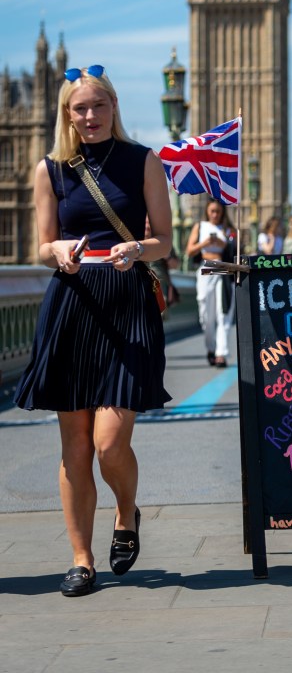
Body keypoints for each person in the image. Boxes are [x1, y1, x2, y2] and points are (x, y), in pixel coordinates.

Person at [13, 64, 172, 598]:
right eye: (79, 108)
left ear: (113, 107)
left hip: (126, 305)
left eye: (98, 106)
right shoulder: (51, 170)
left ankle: (127, 514)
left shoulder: (142, 161)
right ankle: (81, 559)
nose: (89, 116)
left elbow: (165, 242)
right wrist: (57, 251)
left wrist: (137, 248)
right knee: (76, 446)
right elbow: (44, 243)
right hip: (73, 304)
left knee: (108, 443)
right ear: (67, 114)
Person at [185, 199, 236, 367]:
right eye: (212, 211)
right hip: (206, 268)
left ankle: (222, 352)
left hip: (223, 268)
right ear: (207, 211)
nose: (215, 215)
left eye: (218, 212)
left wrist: (224, 244)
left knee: (224, 312)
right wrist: (204, 243)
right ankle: (211, 347)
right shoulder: (200, 227)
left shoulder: (228, 230)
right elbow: (190, 251)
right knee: (206, 313)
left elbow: (237, 251)